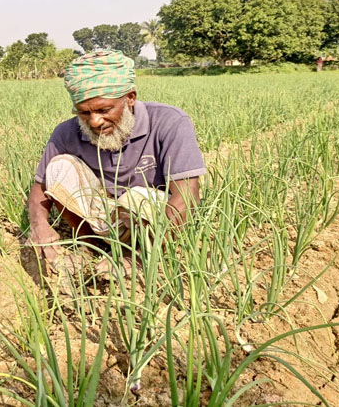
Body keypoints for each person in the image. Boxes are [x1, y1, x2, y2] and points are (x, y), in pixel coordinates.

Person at [26, 50, 206, 271]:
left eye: (104, 110)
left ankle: (140, 253)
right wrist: (39, 225)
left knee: (136, 197)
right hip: (102, 217)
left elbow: (187, 196)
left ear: (130, 98)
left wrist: (139, 257)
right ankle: (89, 245)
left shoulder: (170, 121)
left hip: (154, 222)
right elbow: (40, 187)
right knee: (59, 167)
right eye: (83, 113)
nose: (94, 121)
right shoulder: (66, 132)